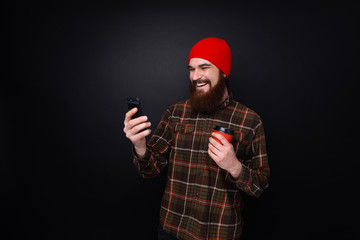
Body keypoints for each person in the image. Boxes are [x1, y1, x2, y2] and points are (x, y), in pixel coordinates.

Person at [123, 37, 270, 240]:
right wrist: (139, 146)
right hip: (171, 230)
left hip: (219, 233)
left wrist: (234, 166)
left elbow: (260, 185)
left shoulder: (250, 120)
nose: (195, 76)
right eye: (191, 69)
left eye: (204, 67)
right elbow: (150, 170)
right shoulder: (176, 112)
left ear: (224, 71)